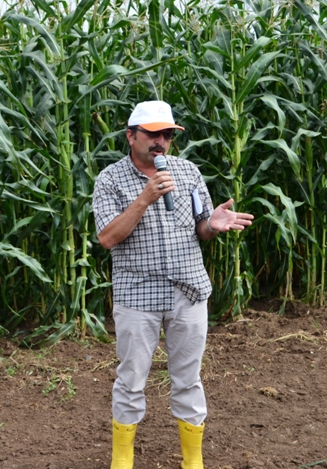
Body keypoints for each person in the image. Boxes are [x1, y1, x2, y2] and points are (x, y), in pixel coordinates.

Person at [92, 101, 254, 469]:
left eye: (167, 135)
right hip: (137, 295)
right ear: (130, 136)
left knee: (188, 380)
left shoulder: (188, 172)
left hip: (188, 292)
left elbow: (201, 227)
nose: (161, 142)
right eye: (153, 134)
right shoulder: (110, 179)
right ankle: (122, 461)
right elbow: (107, 238)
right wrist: (145, 198)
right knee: (131, 381)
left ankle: (192, 462)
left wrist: (212, 224)